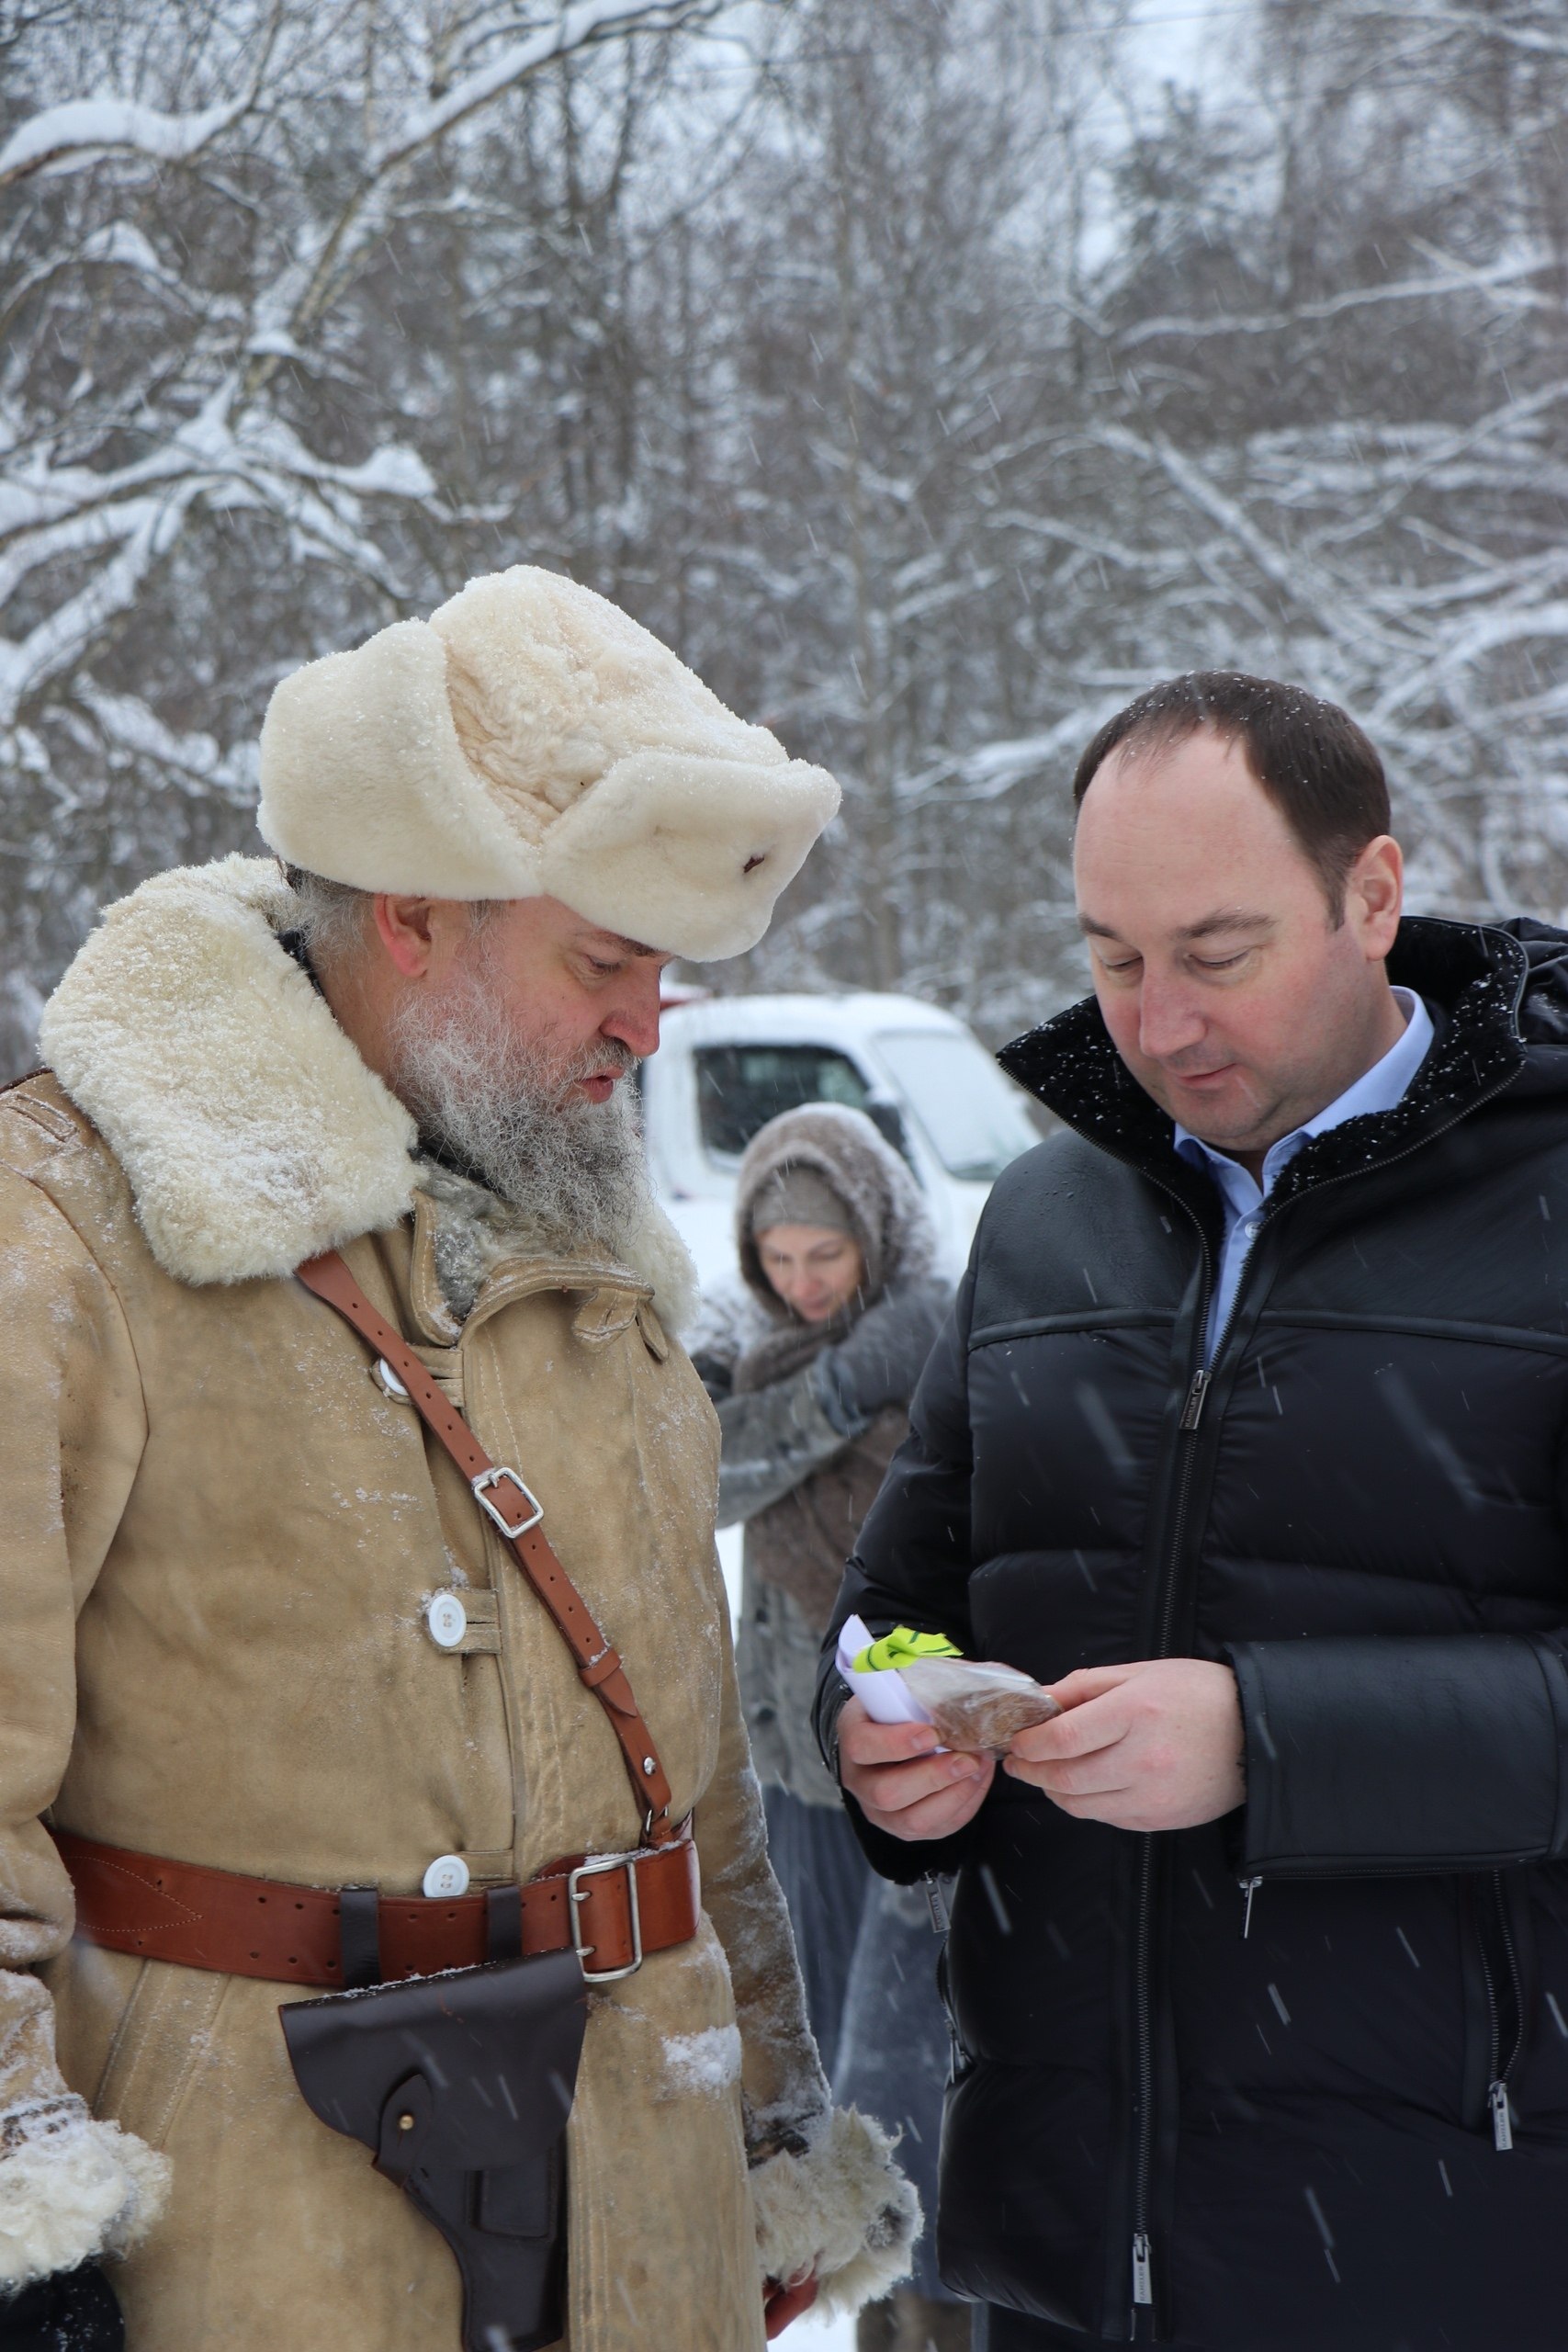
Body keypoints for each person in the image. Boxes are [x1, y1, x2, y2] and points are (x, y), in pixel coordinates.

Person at [0, 565, 919, 2352]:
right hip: (261, 2245)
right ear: (414, 917)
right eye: (603, 957)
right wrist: (30, 2232)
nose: (650, 1024)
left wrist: (769, 2131)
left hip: (643, 2222)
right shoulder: (63, 1237)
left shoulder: (600, 1262)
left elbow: (693, 1791)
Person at [818, 668, 1568, 2352]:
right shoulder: (1040, 1220)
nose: (1156, 1024)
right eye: (1112, 958)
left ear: (1372, 896)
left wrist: (1271, 1745)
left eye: (1218, 955)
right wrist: (889, 1740)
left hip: (1457, 2246)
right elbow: (899, 1601)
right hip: (1073, 2244)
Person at [690, 1104, 964, 2352]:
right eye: (779, 1259)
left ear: (876, 1239)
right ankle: (883, 2323)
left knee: (909, 2075)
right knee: (839, 2092)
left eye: (827, 1257)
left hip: (909, 1778)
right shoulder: (760, 1363)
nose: (802, 1286)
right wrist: (834, 1393)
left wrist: (865, 1391)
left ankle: (946, 2314)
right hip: (795, 1782)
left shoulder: (946, 1349)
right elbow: (714, 1478)